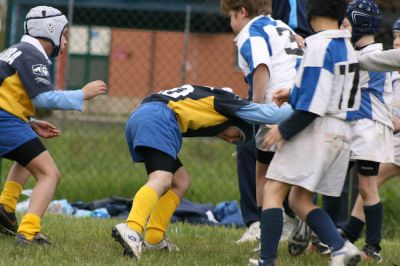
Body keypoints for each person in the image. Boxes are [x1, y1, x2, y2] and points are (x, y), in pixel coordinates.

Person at [111, 84, 293, 259]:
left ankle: (154, 238)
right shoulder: (230, 104)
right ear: (236, 120)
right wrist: (306, 106)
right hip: (159, 117)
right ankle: (132, 229)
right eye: (237, 135)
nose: (232, 141)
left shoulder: (211, 102)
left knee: (180, 182)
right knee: (162, 178)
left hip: (144, 115)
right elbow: (268, 113)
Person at [249, 0, 363, 265]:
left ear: (310, 14)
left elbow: (314, 105)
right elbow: (327, 89)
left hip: (317, 129)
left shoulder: (317, 46)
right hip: (342, 133)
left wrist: (284, 130)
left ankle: (267, 261)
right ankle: (340, 248)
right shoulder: (346, 47)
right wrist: (292, 92)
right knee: (299, 199)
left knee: (273, 190)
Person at [0, 6, 107, 244]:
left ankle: (6, 208)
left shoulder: (14, 51)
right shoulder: (32, 54)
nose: (66, 41)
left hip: (7, 118)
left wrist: (30, 122)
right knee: (50, 174)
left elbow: (8, 94)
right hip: (4, 120)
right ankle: (28, 232)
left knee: (27, 157)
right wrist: (82, 94)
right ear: (50, 30)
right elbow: (44, 98)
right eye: (64, 33)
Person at [220, 0, 302, 244]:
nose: (231, 23)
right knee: (292, 174)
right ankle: (296, 221)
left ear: (243, 12)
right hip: (303, 105)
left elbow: (261, 65)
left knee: (262, 176)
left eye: (231, 16)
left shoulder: (250, 33)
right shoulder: (282, 26)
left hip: (277, 106)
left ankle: (264, 226)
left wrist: (255, 109)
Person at [338, 9, 398, 263]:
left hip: (371, 130)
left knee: (367, 185)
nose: (397, 40)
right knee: (364, 185)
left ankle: (369, 246)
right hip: (361, 129)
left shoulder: (374, 55)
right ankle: (341, 236)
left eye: (346, 24)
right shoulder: (373, 55)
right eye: (395, 36)